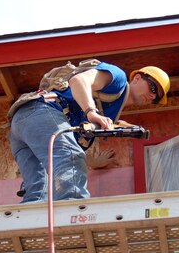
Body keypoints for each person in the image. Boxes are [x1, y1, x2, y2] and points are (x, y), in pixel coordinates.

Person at [9, 61, 170, 203]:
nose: (152, 95)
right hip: (42, 111)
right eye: (153, 87)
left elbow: (71, 154)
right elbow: (78, 80)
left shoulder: (108, 115)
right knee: (70, 162)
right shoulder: (118, 79)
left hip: (22, 122)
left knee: (38, 194)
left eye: (156, 97)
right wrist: (91, 112)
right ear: (137, 78)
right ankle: (75, 216)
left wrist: (95, 162)